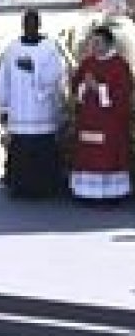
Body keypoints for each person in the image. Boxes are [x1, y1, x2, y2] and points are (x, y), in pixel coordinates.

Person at [0, 9, 65, 199]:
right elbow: (3, 78)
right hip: (19, 110)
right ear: (22, 25)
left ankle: (45, 186)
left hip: (41, 111)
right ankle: (19, 186)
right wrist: (3, 106)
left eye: (33, 23)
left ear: (39, 25)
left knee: (43, 147)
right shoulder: (12, 48)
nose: (30, 26)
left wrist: (34, 69)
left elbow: (55, 75)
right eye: (27, 23)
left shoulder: (49, 48)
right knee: (20, 148)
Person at [68, 24, 132, 204]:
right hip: (88, 119)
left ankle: (110, 193)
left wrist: (99, 89)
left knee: (107, 156)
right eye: (92, 42)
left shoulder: (120, 65)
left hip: (109, 121)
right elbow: (76, 86)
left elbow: (123, 93)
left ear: (108, 44)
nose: (93, 46)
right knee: (88, 155)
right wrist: (82, 85)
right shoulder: (87, 63)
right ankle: (87, 192)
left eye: (97, 42)